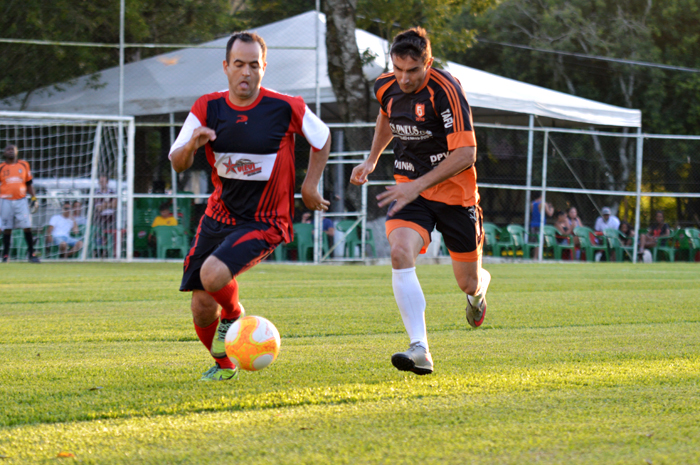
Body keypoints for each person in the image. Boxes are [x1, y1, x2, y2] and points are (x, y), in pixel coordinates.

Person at [169, 31, 331, 381]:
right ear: (226, 67)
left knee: (212, 276)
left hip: (266, 220)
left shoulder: (284, 107)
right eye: (239, 64)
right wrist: (192, 146)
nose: (246, 72)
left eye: (253, 65)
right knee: (200, 305)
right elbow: (177, 161)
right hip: (219, 215)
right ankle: (225, 365)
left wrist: (309, 184)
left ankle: (233, 315)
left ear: (264, 68)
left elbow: (322, 137)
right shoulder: (207, 108)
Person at [350, 27, 490, 376]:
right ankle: (420, 349)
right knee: (399, 252)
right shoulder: (385, 85)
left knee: (467, 283)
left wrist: (419, 185)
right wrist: (371, 159)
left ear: (428, 62)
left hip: (456, 195)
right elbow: (387, 115)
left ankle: (478, 294)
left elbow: (467, 153)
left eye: (412, 71)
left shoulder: (447, 91)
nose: (404, 78)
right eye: (398, 69)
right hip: (408, 186)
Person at [0, 145, 40, 263]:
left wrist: (34, 198)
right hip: (5, 201)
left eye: (12, 149)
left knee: (27, 226)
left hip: (21, 200)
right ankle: (5, 255)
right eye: (8, 149)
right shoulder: (1, 167)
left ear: (17, 151)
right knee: (7, 228)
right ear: (4, 153)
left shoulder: (24, 165)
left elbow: (29, 183)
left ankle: (31, 254)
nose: (10, 151)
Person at [93, 174, 116, 257]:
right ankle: (99, 254)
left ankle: (111, 253)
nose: (102, 183)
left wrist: (105, 205)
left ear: (107, 182)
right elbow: (99, 208)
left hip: (111, 218)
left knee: (111, 237)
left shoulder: (112, 192)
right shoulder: (96, 193)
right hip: (100, 219)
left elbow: (115, 205)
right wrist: (109, 204)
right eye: (100, 181)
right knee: (100, 236)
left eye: (104, 181)